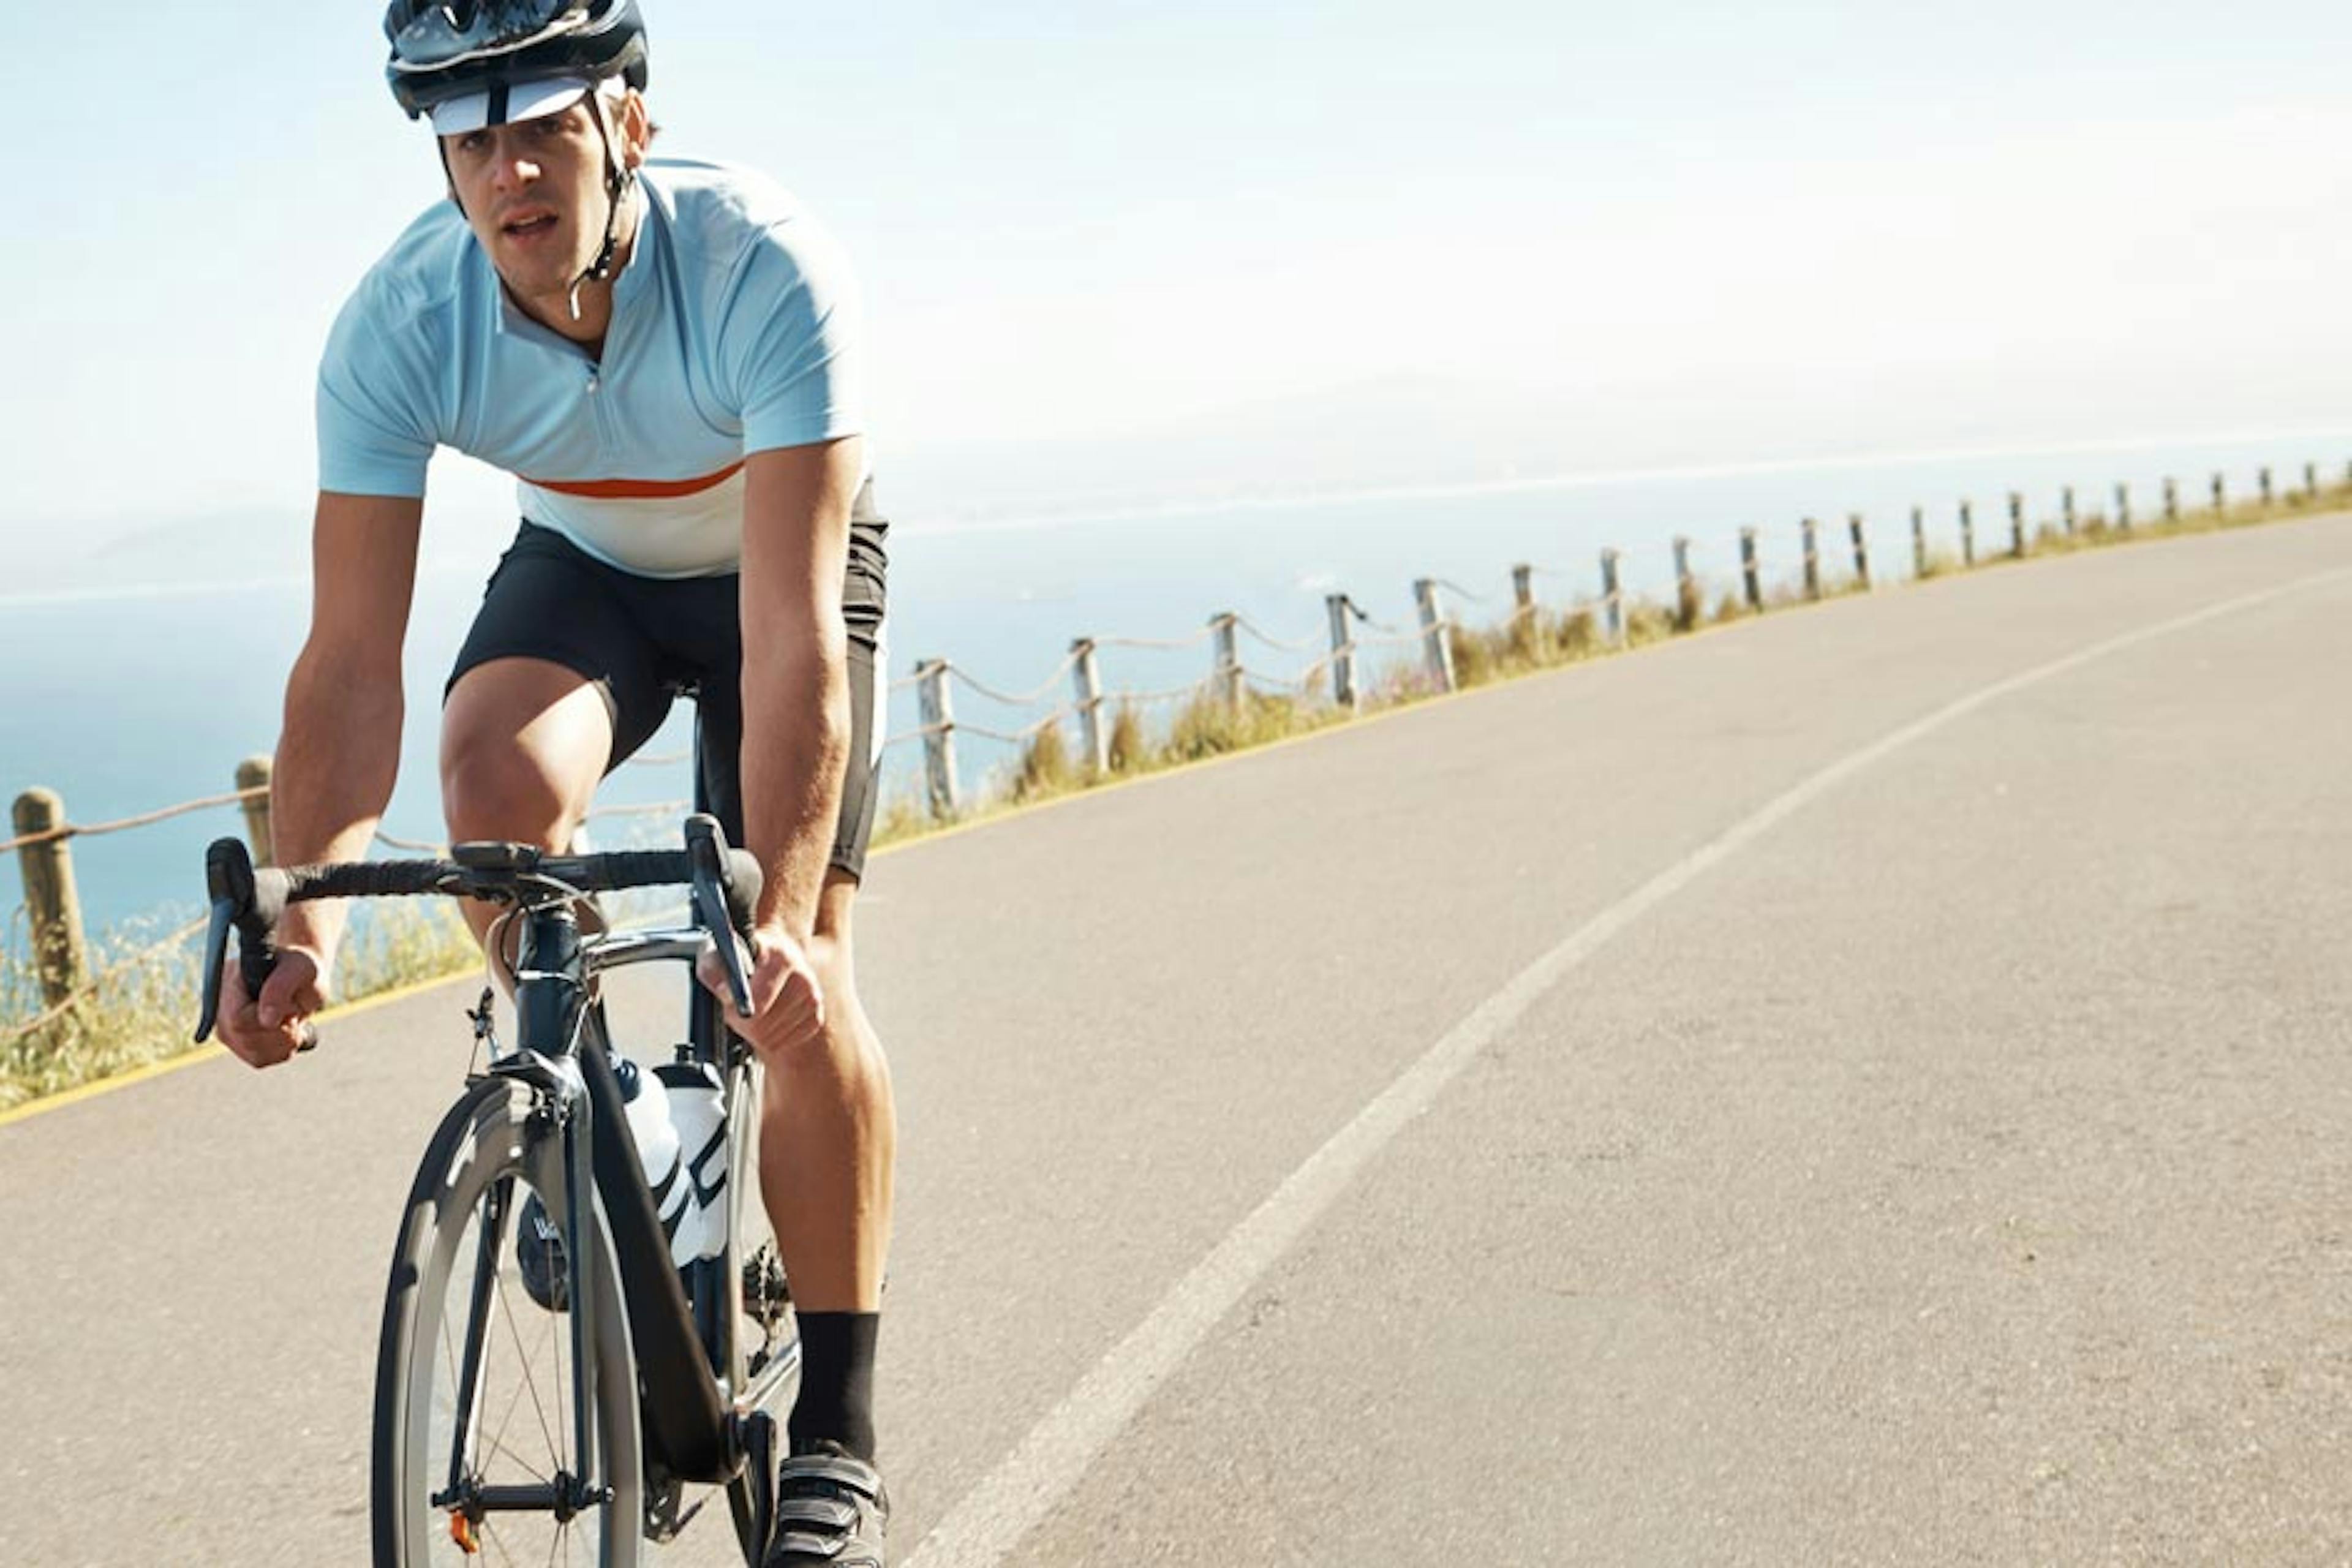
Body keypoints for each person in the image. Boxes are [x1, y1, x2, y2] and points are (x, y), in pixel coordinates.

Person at [212, 2, 895, 1561]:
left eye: (544, 128)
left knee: (801, 978)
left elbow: (791, 649)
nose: (512, 170)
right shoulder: (398, 321)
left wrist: (776, 919)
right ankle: (621, 1123)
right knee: (491, 806)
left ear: (627, 127)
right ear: (447, 169)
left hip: (776, 570)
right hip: (588, 561)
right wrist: (302, 917)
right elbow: (346, 660)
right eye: (472, 142)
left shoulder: (764, 266)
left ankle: (842, 1430)